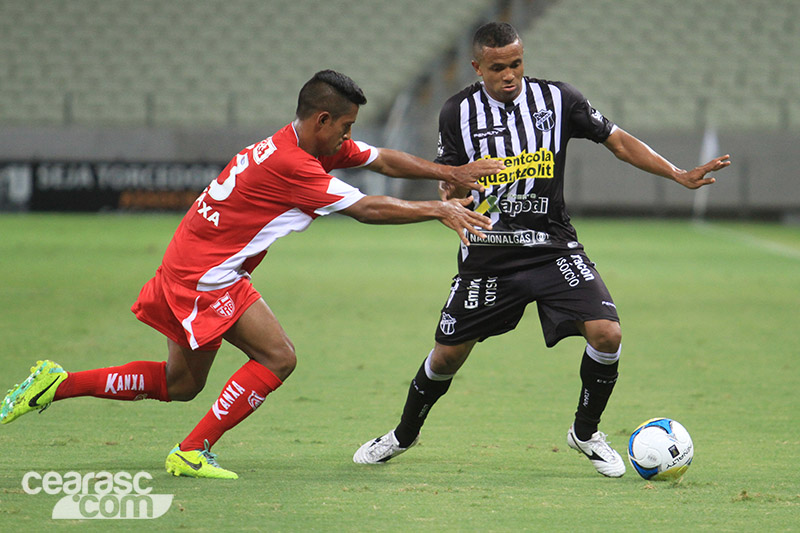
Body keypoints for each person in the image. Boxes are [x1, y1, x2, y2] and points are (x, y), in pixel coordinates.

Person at [0, 69, 505, 480]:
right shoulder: (293, 165)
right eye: (346, 127)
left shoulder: (308, 144)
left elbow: (379, 159)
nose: (349, 139)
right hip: (206, 279)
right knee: (278, 357)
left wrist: (449, 174)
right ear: (323, 119)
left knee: (180, 384)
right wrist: (438, 211)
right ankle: (193, 450)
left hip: (193, 265)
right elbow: (367, 207)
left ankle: (55, 384)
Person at [353, 22, 730, 477]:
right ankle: (402, 435)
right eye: (498, 68)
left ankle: (586, 433)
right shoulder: (457, 111)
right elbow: (448, 182)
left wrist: (677, 173)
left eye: (516, 64)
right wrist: (459, 189)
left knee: (607, 334)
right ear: (477, 68)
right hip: (489, 254)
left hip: (553, 246)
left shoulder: (559, 99)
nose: (509, 74)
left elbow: (618, 140)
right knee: (447, 356)